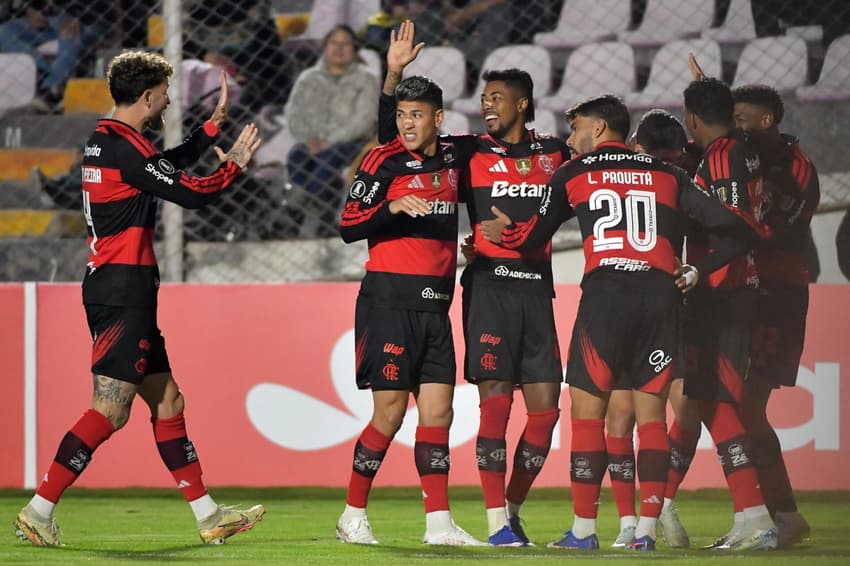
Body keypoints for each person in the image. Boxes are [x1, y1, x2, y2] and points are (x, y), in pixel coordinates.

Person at [479, 94, 766, 551]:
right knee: (651, 415)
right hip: (660, 297)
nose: (570, 139)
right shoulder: (670, 175)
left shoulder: (573, 173)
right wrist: (697, 271)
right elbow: (741, 228)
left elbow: (532, 239)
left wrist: (500, 234)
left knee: (588, 414)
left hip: (607, 297)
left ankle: (584, 531)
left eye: (575, 129)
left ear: (597, 129)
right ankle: (645, 535)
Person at [13, 50, 264, 547]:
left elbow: (156, 169)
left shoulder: (107, 141)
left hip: (119, 286)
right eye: (166, 92)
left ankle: (208, 515)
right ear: (149, 97)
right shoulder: (127, 147)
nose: (169, 99)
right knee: (110, 408)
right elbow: (189, 192)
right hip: (122, 290)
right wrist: (232, 164)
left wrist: (207, 134)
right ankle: (38, 510)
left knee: (168, 400)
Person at [378, 21, 570, 546]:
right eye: (484, 99)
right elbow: (393, 137)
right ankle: (496, 525)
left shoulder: (556, 152)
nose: (487, 107)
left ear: (523, 105)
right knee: (497, 406)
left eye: (498, 99)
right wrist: (394, 75)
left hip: (537, 291)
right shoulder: (468, 151)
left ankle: (511, 507)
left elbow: (602, 177)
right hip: (487, 291)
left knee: (547, 413)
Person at [335, 72, 483, 547]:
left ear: (438, 118)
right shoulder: (382, 160)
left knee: (439, 412)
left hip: (436, 304)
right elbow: (348, 224)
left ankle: (439, 525)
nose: (407, 124)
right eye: (401, 114)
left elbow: (503, 148)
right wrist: (393, 207)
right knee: (391, 413)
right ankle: (352, 516)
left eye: (416, 115)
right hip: (389, 302)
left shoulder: (457, 155)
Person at [732, 83, 819, 548]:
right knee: (726, 405)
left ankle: (782, 515)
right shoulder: (740, 155)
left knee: (747, 406)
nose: (735, 127)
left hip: (777, 294)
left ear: (767, 121)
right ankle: (762, 515)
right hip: (740, 290)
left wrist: (726, 221)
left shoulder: (797, 170)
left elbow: (775, 234)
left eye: (742, 119)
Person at [603, 109, 690, 549]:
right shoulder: (619, 177)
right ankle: (630, 523)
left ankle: (654, 514)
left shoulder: (677, 181)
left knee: (673, 412)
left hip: (663, 306)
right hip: (632, 305)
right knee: (621, 416)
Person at [284, 24, 379, 237]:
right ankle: (296, 216)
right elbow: (294, 114)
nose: (339, 48)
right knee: (296, 156)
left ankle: (319, 217)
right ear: (325, 47)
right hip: (312, 142)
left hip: (352, 142)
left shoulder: (366, 79)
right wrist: (308, 139)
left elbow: (364, 119)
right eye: (333, 43)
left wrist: (331, 141)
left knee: (327, 161)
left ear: (354, 50)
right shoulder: (307, 78)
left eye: (345, 44)